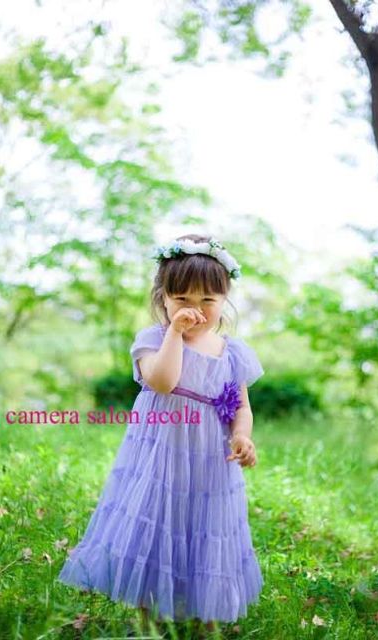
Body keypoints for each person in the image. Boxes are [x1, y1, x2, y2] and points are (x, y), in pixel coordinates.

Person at [57, 233, 264, 636]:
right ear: (163, 298)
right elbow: (163, 381)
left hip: (209, 460)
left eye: (207, 300)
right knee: (156, 523)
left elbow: (241, 406)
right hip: (161, 456)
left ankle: (205, 614)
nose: (194, 309)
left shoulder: (232, 352)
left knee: (206, 527)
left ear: (224, 300)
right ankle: (147, 614)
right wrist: (174, 334)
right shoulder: (154, 339)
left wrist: (243, 436)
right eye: (181, 299)